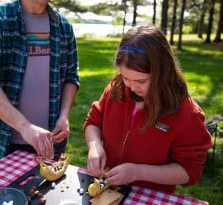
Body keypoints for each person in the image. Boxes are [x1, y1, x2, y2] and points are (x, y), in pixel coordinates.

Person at [83, 25, 212, 193]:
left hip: (148, 195)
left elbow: (189, 171)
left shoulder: (187, 114)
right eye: (126, 77)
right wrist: (94, 146)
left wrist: (138, 172)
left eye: (141, 81)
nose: (132, 87)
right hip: (108, 188)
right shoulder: (117, 89)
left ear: (162, 72)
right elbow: (94, 122)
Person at [0, 0, 80, 163]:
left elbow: (72, 76)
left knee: (50, 192)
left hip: (52, 137)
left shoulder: (64, 27)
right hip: (7, 137)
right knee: (9, 193)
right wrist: (25, 127)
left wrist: (64, 116)